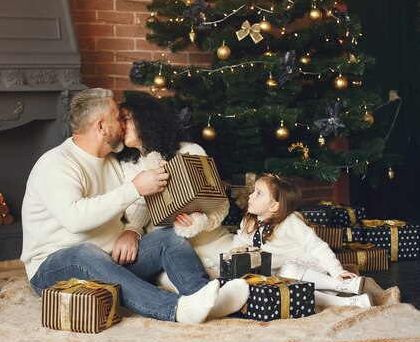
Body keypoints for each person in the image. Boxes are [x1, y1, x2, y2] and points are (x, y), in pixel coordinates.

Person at [21, 88, 249, 324]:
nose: (122, 124)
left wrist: (133, 231)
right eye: (117, 117)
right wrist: (134, 188)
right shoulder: (56, 163)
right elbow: (75, 220)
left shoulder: (111, 162)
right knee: (84, 252)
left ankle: (204, 297)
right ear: (101, 126)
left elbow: (133, 214)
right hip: (53, 268)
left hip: (109, 262)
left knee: (169, 238)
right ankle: (175, 309)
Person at [116, 92, 235, 285]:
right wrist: (149, 181)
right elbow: (134, 219)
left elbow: (220, 204)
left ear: (146, 120)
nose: (121, 125)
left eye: (126, 119)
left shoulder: (190, 151)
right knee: (178, 285)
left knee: (247, 275)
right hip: (170, 254)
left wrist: (201, 222)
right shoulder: (128, 165)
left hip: (212, 241)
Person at [232, 173, 374, 307]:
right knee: (286, 291)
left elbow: (317, 247)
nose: (250, 196)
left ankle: (343, 285)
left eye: (258, 193)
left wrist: (337, 271)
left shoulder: (289, 221)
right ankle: (351, 303)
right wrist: (236, 252)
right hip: (284, 280)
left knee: (288, 270)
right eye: (253, 191)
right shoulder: (248, 222)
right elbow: (240, 241)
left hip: (309, 272)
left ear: (274, 206)